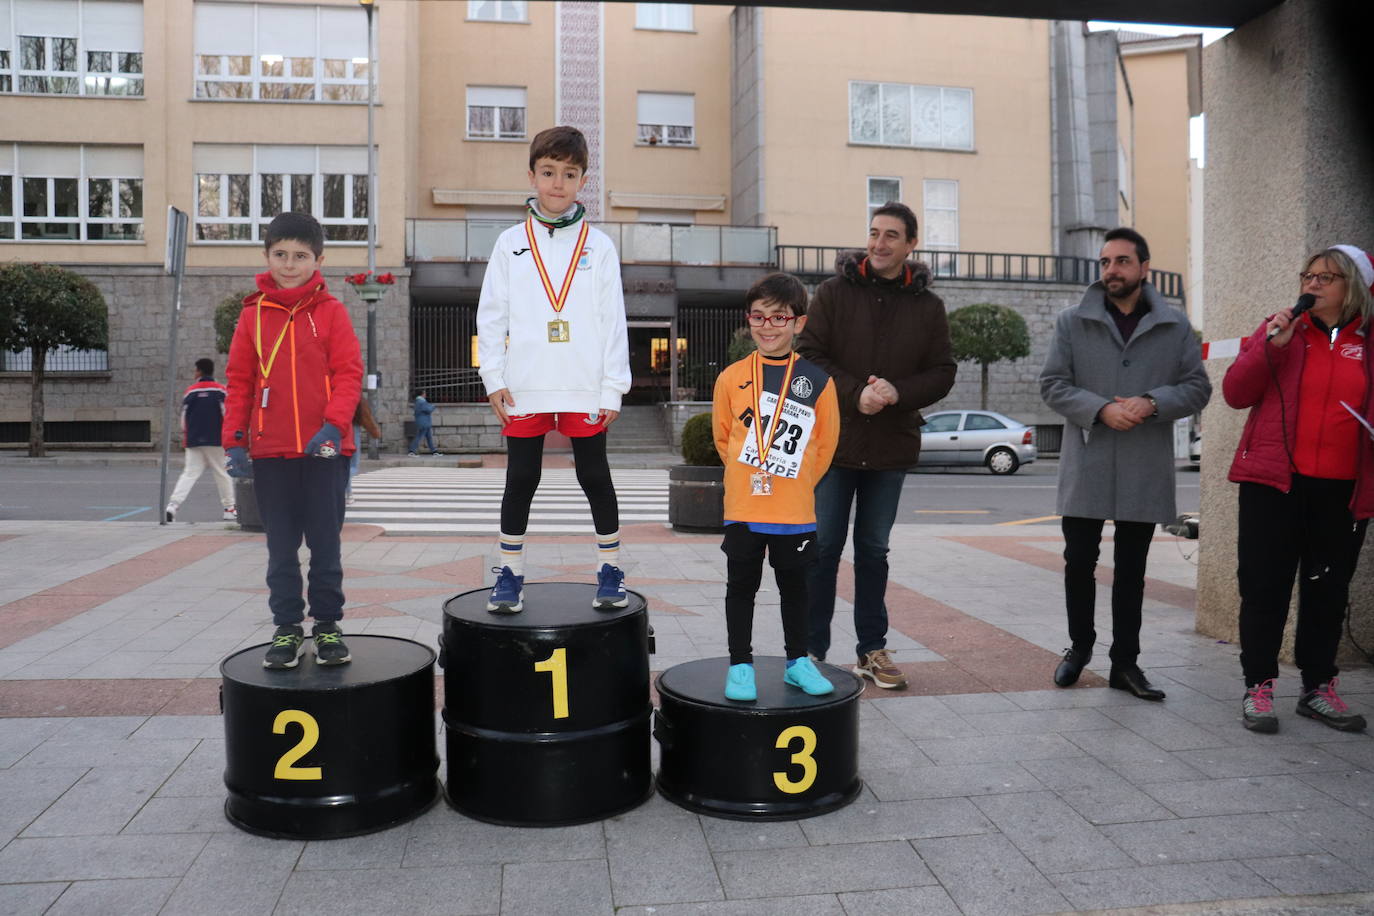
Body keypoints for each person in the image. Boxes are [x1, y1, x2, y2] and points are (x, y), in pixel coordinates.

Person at [1039, 227, 1211, 700]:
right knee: (1079, 562)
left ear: (1144, 268)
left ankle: (1126, 664)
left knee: (1132, 569)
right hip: (1087, 459)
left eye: (1121, 261)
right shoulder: (1072, 320)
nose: (1111, 270)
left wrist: (1152, 402)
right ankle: (1078, 649)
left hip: (1143, 463)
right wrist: (1101, 409)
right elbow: (1053, 384)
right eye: (1105, 262)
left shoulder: (1174, 325)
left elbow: (1198, 388)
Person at [797, 202, 955, 689]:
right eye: (873, 233)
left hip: (890, 448)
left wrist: (897, 393)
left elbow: (943, 371)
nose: (879, 243)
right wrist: (855, 393)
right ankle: (811, 653)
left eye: (891, 235)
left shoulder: (928, 306)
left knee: (873, 550)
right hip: (835, 445)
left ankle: (871, 650)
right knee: (823, 549)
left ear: (911, 245)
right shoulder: (833, 292)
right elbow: (809, 355)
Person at [477, 125, 631, 613]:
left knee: (594, 475)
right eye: (548, 173)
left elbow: (613, 320)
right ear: (532, 175)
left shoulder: (599, 246)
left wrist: (613, 388)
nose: (557, 183)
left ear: (583, 179)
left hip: (585, 385)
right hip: (525, 385)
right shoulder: (508, 243)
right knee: (521, 478)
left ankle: (610, 571)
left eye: (569, 174)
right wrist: (494, 379)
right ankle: (510, 574)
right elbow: (491, 314)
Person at [1223, 244, 1374, 733]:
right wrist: (1273, 346)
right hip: (1274, 482)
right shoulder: (1281, 327)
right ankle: (1259, 687)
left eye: (1327, 277)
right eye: (1309, 274)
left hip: (1342, 491)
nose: (1313, 283)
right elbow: (1235, 392)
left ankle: (1317, 688)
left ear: (1355, 286)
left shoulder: (1369, 341)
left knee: (1327, 590)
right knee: (1264, 586)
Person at [223, 211, 363, 669]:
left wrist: (334, 425)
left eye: (300, 256)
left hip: (325, 452)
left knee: (325, 545)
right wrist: (235, 441)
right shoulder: (252, 315)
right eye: (280, 254)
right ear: (266, 256)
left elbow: (348, 374)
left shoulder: (332, 312)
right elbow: (240, 381)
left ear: (318, 259)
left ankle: (326, 626)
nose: (289, 264)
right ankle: (286, 629)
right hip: (270, 453)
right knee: (280, 548)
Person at [712, 273, 840, 701]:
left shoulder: (818, 382)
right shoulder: (731, 378)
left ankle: (797, 662)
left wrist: (795, 480)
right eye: (759, 317)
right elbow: (723, 436)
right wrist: (752, 474)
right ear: (749, 320)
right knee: (741, 587)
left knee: (796, 588)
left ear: (798, 323)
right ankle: (740, 665)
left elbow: (824, 446)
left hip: (794, 509)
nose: (768, 326)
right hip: (745, 506)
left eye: (779, 317)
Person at [165, 357, 236, 522]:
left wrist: (188, 434)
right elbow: (227, 414)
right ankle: (229, 509)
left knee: (189, 474)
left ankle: (173, 506)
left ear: (199, 371)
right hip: (216, 440)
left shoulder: (190, 392)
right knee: (222, 473)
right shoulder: (220, 391)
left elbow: (184, 418)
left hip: (194, 440)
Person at [347, 396, 382, 505]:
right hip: (352, 432)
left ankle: (348, 493)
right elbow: (366, 416)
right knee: (352, 466)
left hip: (335, 430)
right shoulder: (356, 397)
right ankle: (346, 492)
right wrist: (375, 432)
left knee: (344, 465)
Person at [409, 390, 440, 457]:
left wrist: (429, 406)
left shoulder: (419, 401)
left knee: (429, 437)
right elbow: (428, 410)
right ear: (422, 394)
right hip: (424, 422)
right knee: (419, 437)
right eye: (425, 393)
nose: (425, 394)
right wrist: (433, 406)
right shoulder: (421, 402)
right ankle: (412, 451)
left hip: (425, 422)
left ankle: (434, 451)